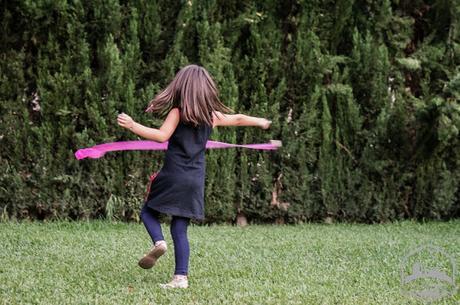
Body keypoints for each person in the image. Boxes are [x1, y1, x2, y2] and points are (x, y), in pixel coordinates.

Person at [116, 64, 271, 289]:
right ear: (205, 90)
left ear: (181, 87)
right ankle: (180, 278)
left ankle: (159, 242)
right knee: (180, 228)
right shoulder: (211, 116)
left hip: (172, 175)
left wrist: (132, 125)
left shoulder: (178, 112)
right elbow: (237, 119)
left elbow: (161, 136)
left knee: (148, 211)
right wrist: (260, 121)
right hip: (194, 179)